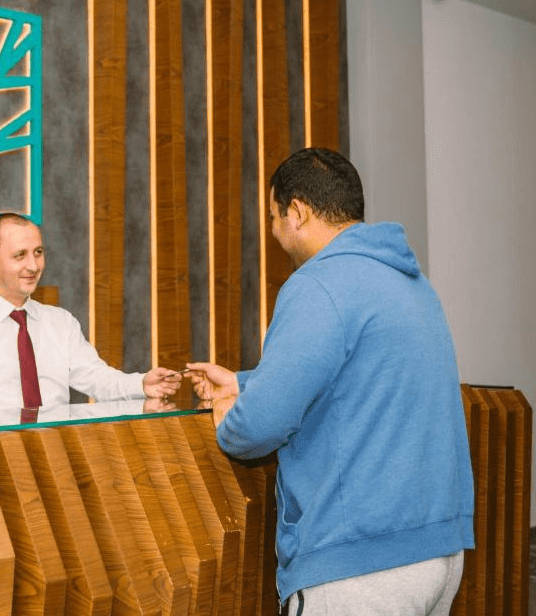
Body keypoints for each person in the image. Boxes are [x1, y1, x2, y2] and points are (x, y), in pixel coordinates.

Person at [188, 148, 474, 615]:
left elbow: (257, 428)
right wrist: (243, 383)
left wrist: (228, 415)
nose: (274, 232)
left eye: (274, 217)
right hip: (437, 551)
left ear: (298, 212)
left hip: (359, 564)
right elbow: (356, 379)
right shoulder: (410, 282)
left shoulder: (317, 284)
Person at [0, 212, 181, 415]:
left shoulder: (61, 323)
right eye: (20, 255)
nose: (33, 266)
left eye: (38, 253)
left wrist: (141, 384)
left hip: (57, 456)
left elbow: (96, 379)